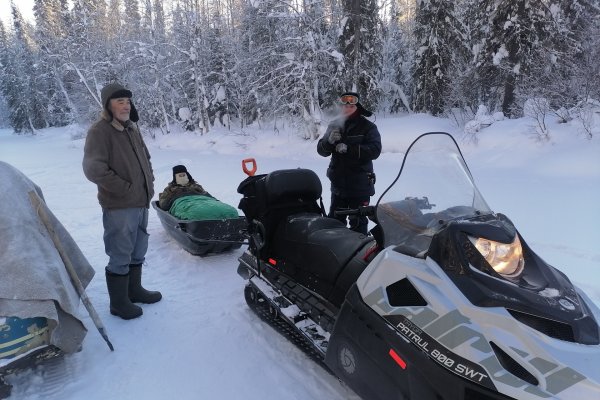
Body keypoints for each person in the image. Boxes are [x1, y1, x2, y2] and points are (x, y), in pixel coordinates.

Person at [82, 82, 162, 320]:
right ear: (108, 105)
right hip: (119, 204)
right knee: (120, 252)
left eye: (128, 101)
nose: (126, 106)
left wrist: (150, 182)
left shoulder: (131, 128)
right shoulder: (100, 131)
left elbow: (145, 158)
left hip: (141, 200)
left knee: (139, 248)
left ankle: (134, 291)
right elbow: (93, 169)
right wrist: (125, 189)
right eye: (120, 101)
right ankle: (118, 303)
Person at [317, 92, 382, 235]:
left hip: (360, 186)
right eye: (345, 106)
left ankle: (358, 254)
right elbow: (321, 151)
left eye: (351, 106)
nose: (347, 108)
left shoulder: (367, 127)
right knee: (334, 223)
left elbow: (375, 150)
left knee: (358, 224)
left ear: (357, 106)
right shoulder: (334, 125)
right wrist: (328, 142)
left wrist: (350, 149)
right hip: (338, 186)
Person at [159, 165, 238, 220]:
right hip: (182, 202)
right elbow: (163, 205)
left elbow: (208, 196)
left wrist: (217, 202)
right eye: (180, 176)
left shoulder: (195, 186)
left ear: (187, 175)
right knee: (195, 213)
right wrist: (173, 195)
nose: (182, 177)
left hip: (203, 200)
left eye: (184, 175)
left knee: (228, 210)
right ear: (174, 177)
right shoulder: (170, 189)